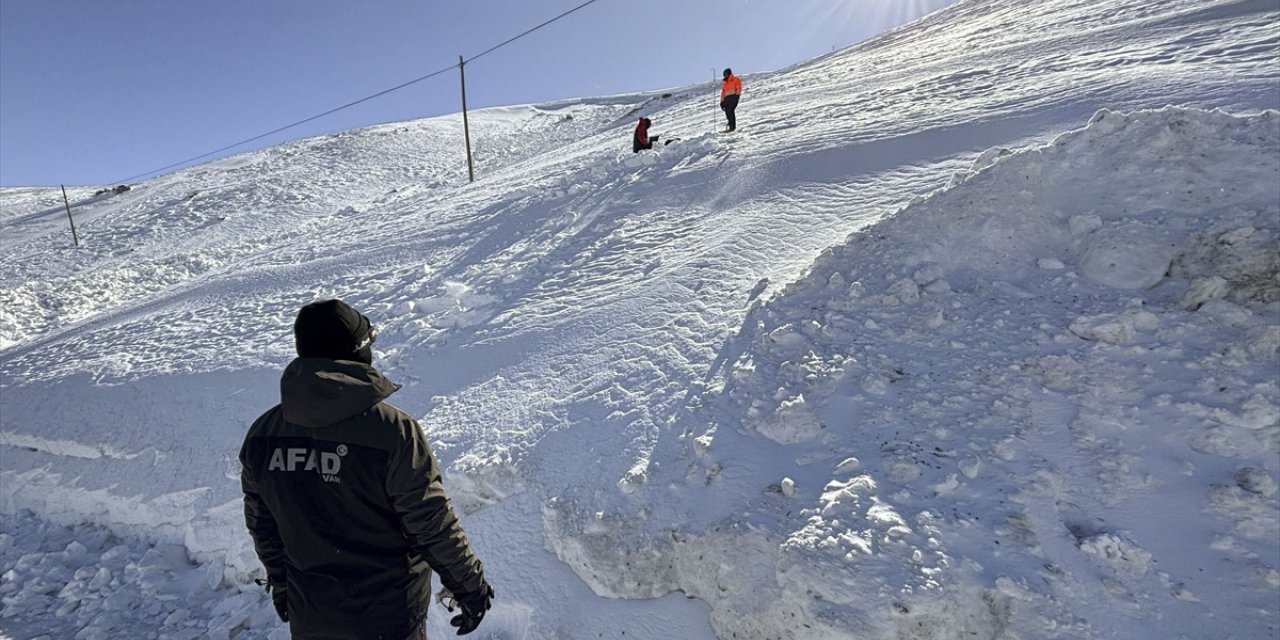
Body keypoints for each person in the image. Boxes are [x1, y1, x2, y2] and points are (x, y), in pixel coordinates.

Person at [240, 299, 493, 639]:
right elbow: (430, 522)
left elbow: (263, 525)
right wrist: (470, 586)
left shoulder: (263, 433)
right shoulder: (393, 431)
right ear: (357, 352)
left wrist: (283, 584)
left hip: (313, 616)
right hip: (388, 618)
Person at [720, 68, 743, 132]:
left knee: (730, 111)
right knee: (727, 112)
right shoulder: (725, 83)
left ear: (729, 74)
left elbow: (738, 88)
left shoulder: (735, 79)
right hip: (726, 99)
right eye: (724, 75)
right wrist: (722, 102)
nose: (725, 76)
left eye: (726, 74)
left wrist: (737, 96)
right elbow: (723, 93)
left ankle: (732, 127)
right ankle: (730, 125)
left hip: (733, 97)